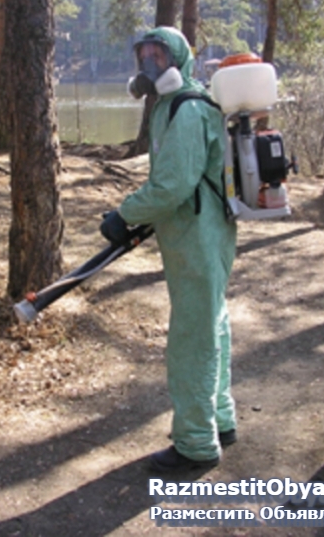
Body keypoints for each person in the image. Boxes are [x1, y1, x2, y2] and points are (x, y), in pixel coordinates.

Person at [100, 26, 237, 472]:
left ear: (178, 60)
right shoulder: (167, 106)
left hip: (199, 236)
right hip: (193, 234)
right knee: (211, 324)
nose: (148, 65)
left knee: (192, 338)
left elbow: (173, 183)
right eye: (143, 55)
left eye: (158, 55)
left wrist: (126, 213)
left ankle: (196, 443)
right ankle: (220, 418)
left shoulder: (188, 109)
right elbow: (177, 179)